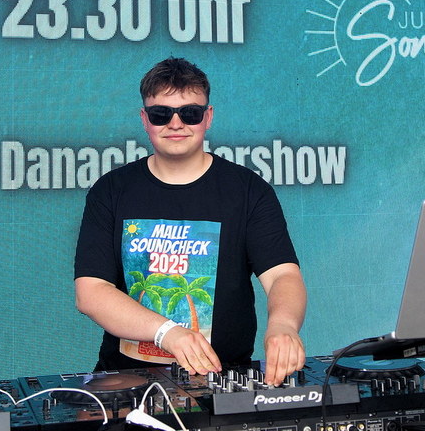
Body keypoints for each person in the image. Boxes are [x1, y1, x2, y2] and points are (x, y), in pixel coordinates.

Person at [74, 57, 306, 386]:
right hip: (124, 380)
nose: (176, 123)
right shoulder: (110, 191)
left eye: (190, 113)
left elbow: (282, 274)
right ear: (145, 119)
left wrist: (283, 325)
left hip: (224, 377)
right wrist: (167, 332)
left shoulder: (248, 191)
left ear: (207, 117)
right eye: (161, 114)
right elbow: (91, 292)